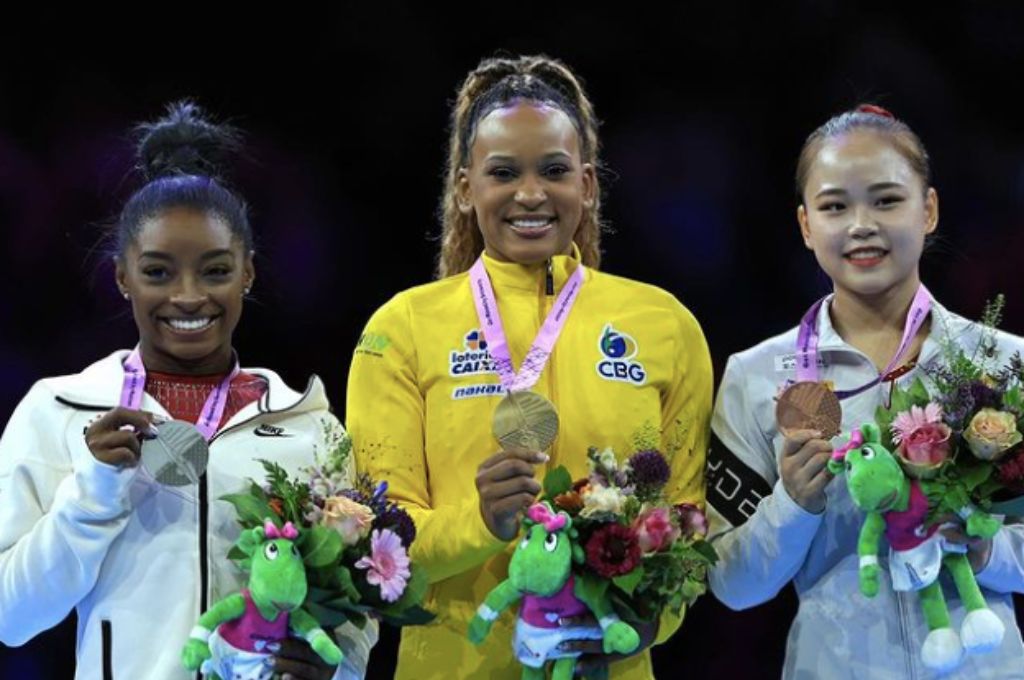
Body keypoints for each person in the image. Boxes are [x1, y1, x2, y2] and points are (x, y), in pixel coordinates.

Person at [347, 54, 712, 679]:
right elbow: (378, 548)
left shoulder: (664, 325)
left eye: (554, 171)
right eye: (503, 173)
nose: (531, 193)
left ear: (588, 185)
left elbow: (688, 525)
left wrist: (648, 624)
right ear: (466, 188)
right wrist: (481, 522)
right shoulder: (400, 329)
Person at [0, 102, 375, 680]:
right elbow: (11, 617)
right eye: (158, 272)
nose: (189, 295)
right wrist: (92, 494)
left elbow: (356, 603)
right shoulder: (59, 408)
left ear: (247, 272)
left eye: (215, 270)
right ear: (122, 277)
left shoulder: (309, 427)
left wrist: (341, 667)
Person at [706, 104, 1024, 679]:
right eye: (834, 206)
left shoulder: (1005, 364)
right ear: (806, 226)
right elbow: (732, 585)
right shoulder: (755, 377)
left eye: (886, 200)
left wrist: (985, 549)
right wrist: (793, 504)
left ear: (928, 209)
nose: (861, 224)